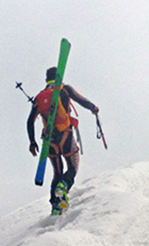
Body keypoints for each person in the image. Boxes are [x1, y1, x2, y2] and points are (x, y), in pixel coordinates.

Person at [27, 66, 99, 215]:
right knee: (73, 167)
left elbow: (30, 121)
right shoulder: (64, 89)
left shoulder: (40, 97)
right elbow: (80, 99)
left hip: (49, 142)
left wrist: (32, 142)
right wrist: (93, 107)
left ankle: (55, 204)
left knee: (57, 172)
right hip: (65, 135)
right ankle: (63, 187)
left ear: (46, 79)